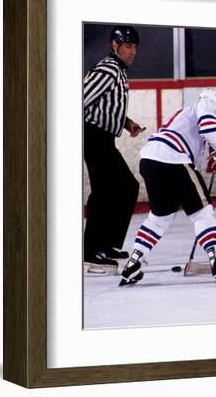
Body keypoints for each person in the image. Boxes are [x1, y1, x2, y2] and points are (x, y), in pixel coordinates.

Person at [119, 88, 216, 286]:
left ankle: (134, 261)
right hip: (173, 159)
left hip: (150, 160)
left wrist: (214, 153)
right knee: (202, 213)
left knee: (159, 218)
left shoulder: (187, 114)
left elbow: (204, 143)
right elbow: (209, 128)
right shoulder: (206, 104)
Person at [83, 25, 145, 275]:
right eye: (128, 46)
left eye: (135, 48)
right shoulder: (108, 69)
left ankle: (107, 245)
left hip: (103, 137)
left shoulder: (118, 71)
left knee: (126, 187)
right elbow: (82, 99)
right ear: (115, 46)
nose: (133, 52)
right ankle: (89, 252)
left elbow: (106, 105)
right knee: (104, 191)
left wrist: (126, 122)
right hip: (92, 135)